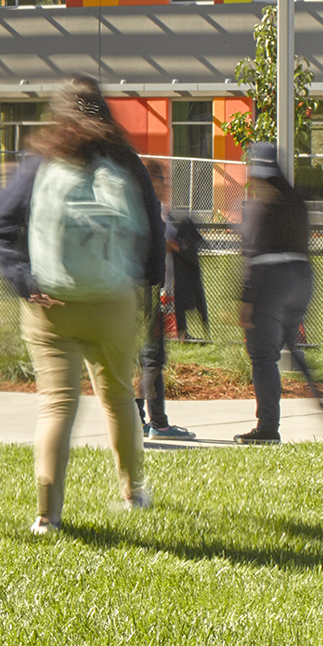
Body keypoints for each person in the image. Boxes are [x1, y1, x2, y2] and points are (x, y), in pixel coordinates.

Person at [0, 76, 165, 534]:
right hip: (113, 301)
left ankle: (48, 515)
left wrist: (25, 281)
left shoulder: (40, 161)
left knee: (56, 406)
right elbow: (153, 230)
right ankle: (133, 492)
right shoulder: (124, 160)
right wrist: (146, 288)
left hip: (51, 303)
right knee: (118, 397)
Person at [235, 142, 323, 444]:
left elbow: (253, 255)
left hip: (271, 281)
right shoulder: (295, 201)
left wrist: (246, 299)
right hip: (301, 278)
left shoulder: (261, 203)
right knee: (293, 349)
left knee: (263, 355)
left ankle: (268, 427)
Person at [136, 159, 195, 443]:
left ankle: (138, 420)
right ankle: (157, 424)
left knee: (142, 358)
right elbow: (153, 243)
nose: (167, 186)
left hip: (142, 292)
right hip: (144, 292)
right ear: (151, 181)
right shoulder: (147, 209)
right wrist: (172, 244)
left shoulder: (143, 207)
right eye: (163, 180)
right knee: (151, 358)